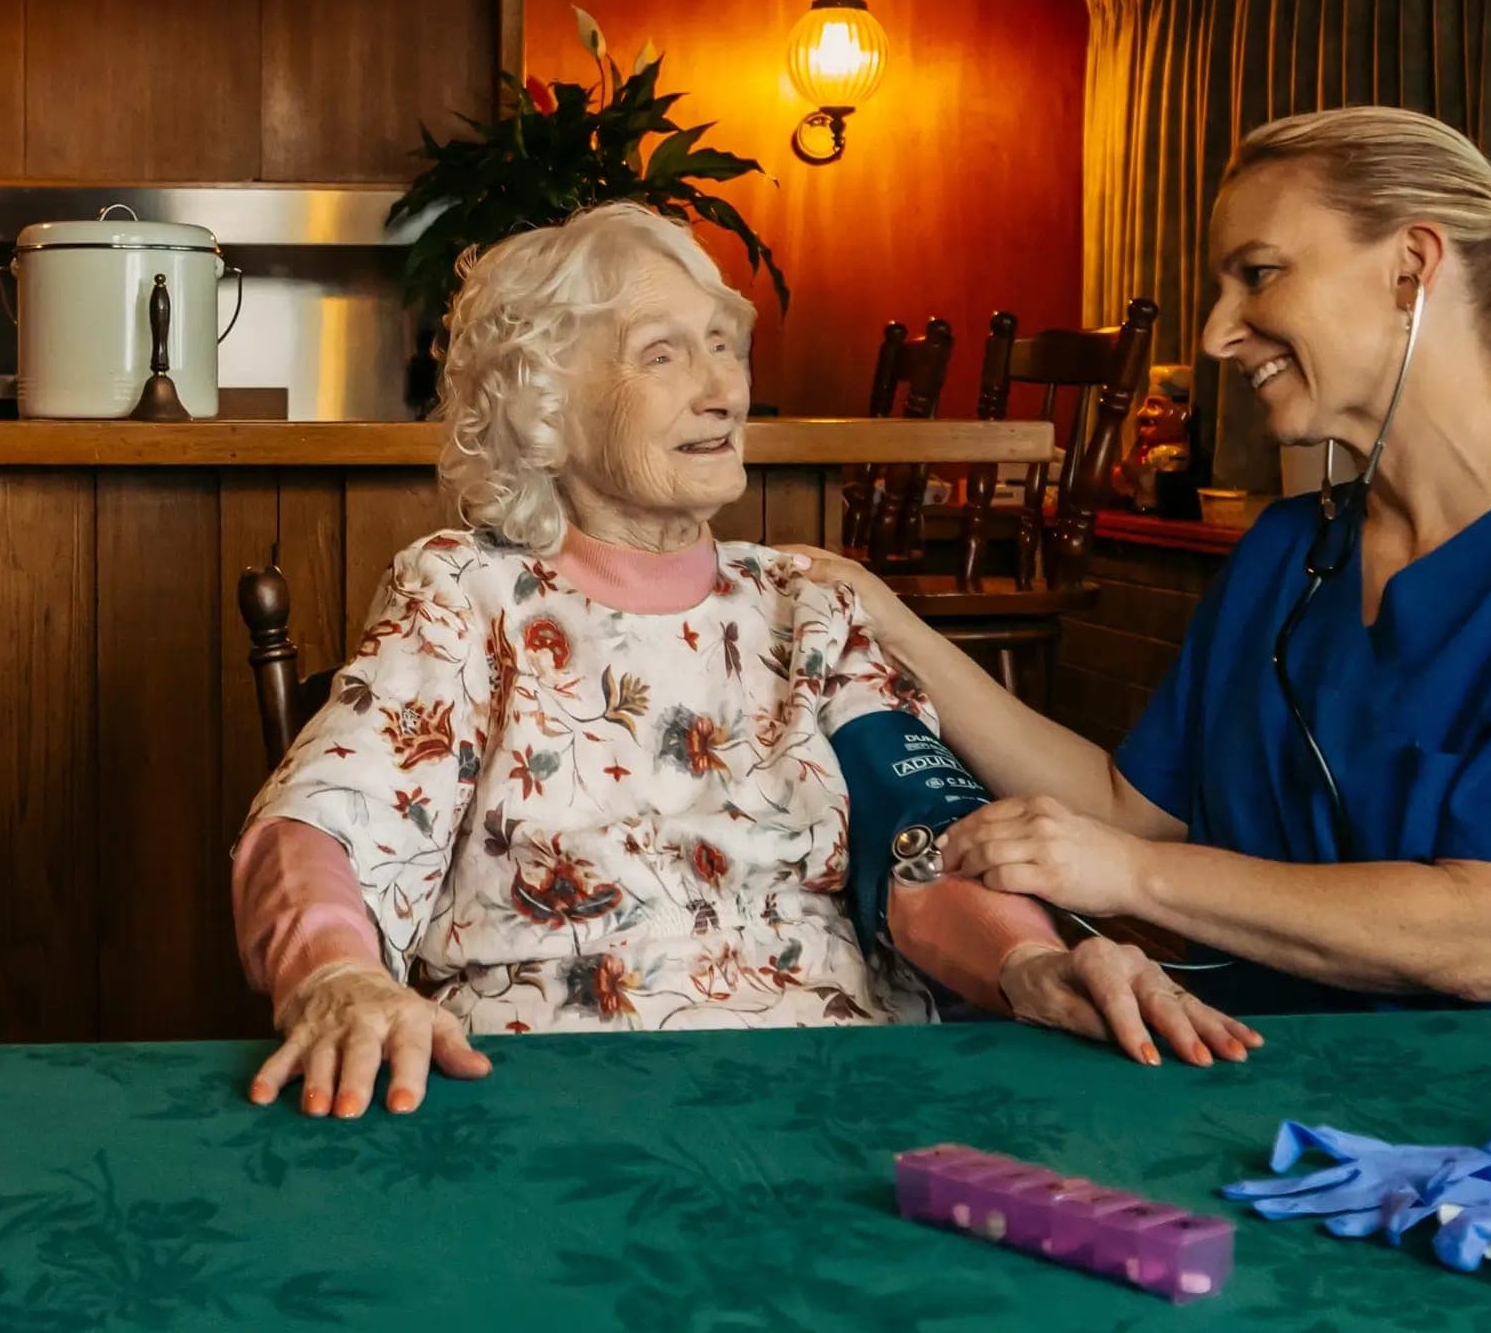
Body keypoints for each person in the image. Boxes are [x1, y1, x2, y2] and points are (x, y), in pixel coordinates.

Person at [235, 204, 1254, 1121]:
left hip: (832, 1086)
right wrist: (336, 976)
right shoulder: (467, 592)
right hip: (545, 1093)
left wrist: (1030, 959)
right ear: (543, 407)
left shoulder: (808, 604)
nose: (726, 388)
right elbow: (325, 818)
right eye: (665, 354)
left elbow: (923, 841)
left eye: (726, 347)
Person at [800, 108, 1491, 1091]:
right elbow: (1133, 807)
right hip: (1293, 1092)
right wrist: (889, 619)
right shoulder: (1292, 550)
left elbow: (1484, 935)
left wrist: (1128, 877)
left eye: (1259, 274)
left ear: (1413, 267)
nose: (1215, 333)